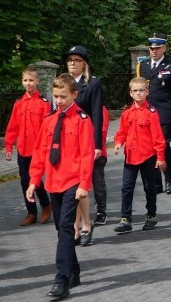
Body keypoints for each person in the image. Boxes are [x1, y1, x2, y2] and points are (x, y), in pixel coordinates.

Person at [27, 73, 94, 300]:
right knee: (61, 228)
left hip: (73, 182)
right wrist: (34, 180)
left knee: (66, 228)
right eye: (55, 96)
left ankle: (61, 279)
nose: (58, 101)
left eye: (63, 96)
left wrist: (84, 184)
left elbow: (86, 155)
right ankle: (74, 271)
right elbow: (40, 152)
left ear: (74, 95)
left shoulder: (82, 120)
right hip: (53, 182)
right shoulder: (49, 120)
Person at [62, 45, 105, 246]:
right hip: (67, 141)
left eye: (77, 60)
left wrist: (97, 145)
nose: (72, 63)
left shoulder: (93, 84)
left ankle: (85, 224)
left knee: (82, 184)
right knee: (70, 184)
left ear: (84, 64)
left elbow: (96, 114)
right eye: (70, 60)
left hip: (85, 139)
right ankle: (75, 226)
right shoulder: (63, 83)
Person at [112, 77, 166, 234]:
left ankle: (151, 215)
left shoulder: (152, 113)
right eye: (135, 91)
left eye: (141, 90)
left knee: (150, 188)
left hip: (148, 156)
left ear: (147, 92)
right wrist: (118, 142)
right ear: (130, 93)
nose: (139, 93)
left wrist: (160, 157)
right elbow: (122, 132)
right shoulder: (127, 113)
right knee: (126, 188)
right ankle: (125, 218)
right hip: (130, 156)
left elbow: (158, 138)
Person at [135, 33, 171, 194]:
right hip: (147, 113)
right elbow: (138, 90)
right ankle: (156, 183)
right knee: (150, 147)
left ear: (164, 48)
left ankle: (168, 179)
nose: (154, 51)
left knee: (162, 146)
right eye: (152, 48)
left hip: (164, 113)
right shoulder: (142, 66)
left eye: (157, 48)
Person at [5, 65, 53, 226]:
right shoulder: (19, 103)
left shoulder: (43, 103)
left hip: (37, 150)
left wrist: (47, 148)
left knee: (36, 180)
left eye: (31, 80)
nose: (28, 83)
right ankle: (31, 212)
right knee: (25, 181)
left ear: (37, 81)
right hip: (22, 149)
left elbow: (47, 128)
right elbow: (13, 126)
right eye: (25, 80)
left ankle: (46, 206)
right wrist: (8, 146)